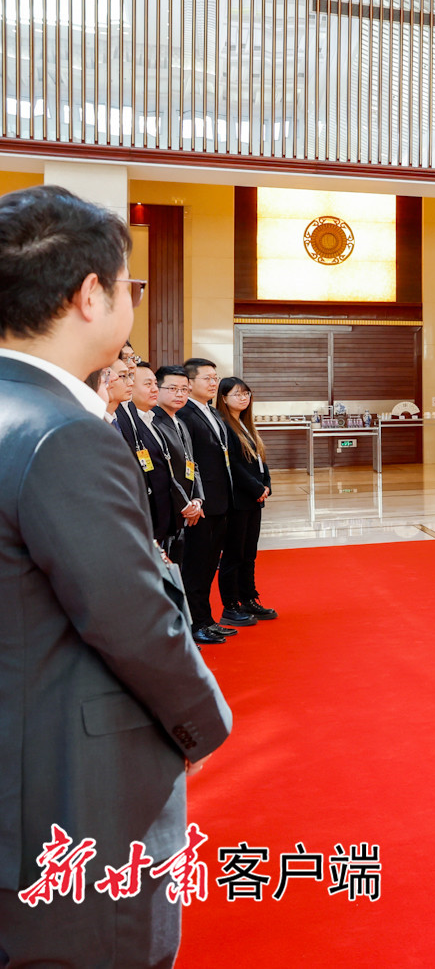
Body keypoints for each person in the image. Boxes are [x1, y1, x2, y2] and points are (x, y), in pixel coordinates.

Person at [0, 184, 231, 966]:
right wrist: (199, 719)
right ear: (90, 294)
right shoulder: (63, 433)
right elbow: (130, 615)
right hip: (64, 792)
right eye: (131, 285)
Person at [178, 356, 251, 633]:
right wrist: (195, 498)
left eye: (215, 378)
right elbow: (188, 462)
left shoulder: (212, 412)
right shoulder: (185, 414)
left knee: (209, 565)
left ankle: (207, 619)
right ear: (190, 382)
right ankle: (197, 622)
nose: (213, 383)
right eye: (207, 378)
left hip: (221, 501)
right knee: (196, 566)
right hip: (203, 502)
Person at [217, 375, 278, 623]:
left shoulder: (244, 424)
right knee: (234, 553)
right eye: (237, 394)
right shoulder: (224, 425)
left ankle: (249, 598)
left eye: (246, 393)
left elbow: (259, 461)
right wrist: (255, 487)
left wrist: (266, 484)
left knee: (249, 552)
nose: (243, 398)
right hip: (238, 498)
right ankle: (231, 605)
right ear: (223, 398)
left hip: (253, 498)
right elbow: (232, 463)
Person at [115, 360, 187, 560]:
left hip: (163, 515)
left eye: (155, 383)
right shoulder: (125, 422)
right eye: (148, 384)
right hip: (146, 518)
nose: (155, 389)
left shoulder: (152, 420)